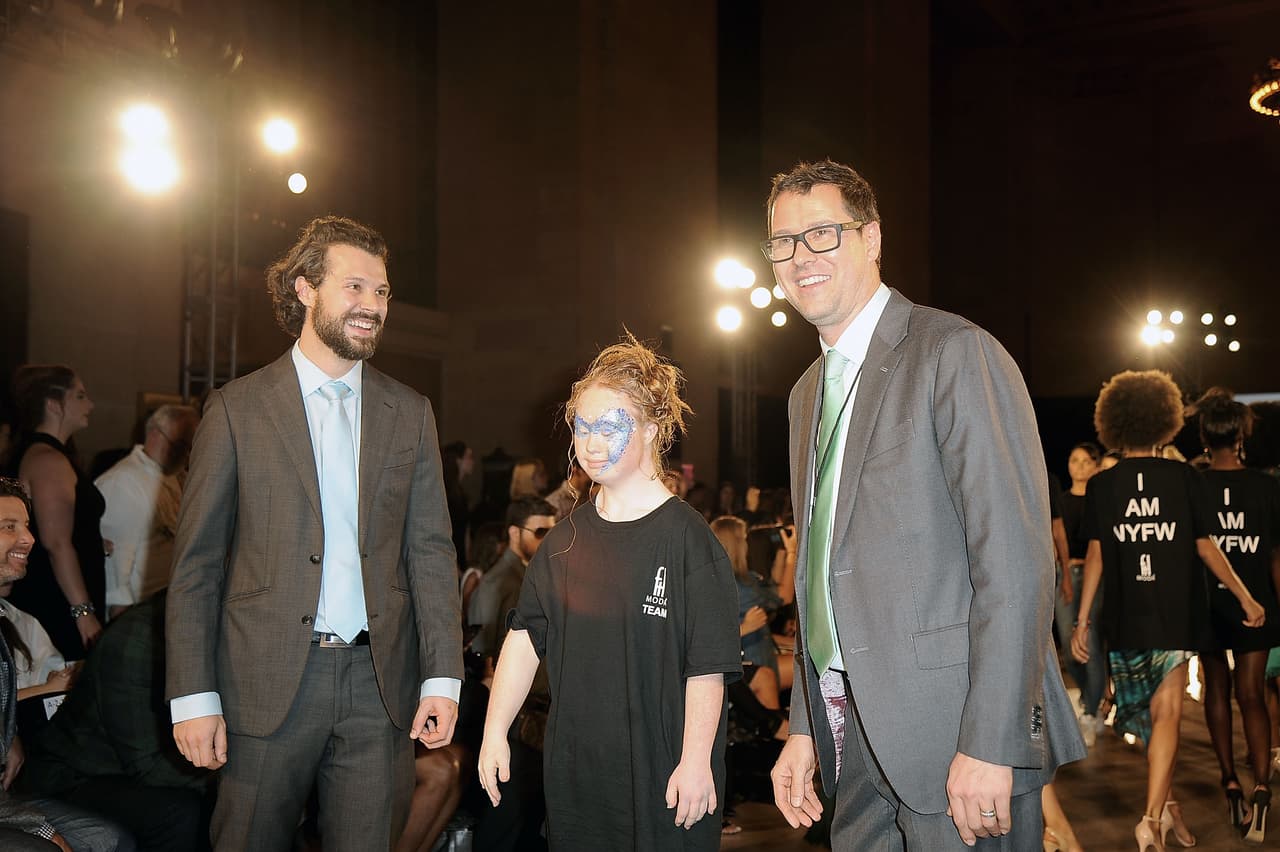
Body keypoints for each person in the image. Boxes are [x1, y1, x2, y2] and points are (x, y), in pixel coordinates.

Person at [762, 159, 1083, 850]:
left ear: (872, 239)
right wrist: (802, 727)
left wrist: (993, 741)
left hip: (955, 743)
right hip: (853, 741)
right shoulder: (803, 396)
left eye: (822, 234)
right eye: (782, 242)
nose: (799, 257)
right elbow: (820, 575)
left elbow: (1017, 562)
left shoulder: (955, 352)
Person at [165, 215, 464, 850]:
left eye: (382, 293)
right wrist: (192, 694)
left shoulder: (409, 413)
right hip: (263, 683)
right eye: (355, 288)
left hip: (378, 687)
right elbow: (197, 566)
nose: (373, 307)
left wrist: (442, 677)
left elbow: (431, 554)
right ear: (305, 289)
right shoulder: (235, 408)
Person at [477, 335, 742, 850]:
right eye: (582, 426)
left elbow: (708, 665)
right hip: (579, 783)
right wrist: (494, 732)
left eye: (610, 426)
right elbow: (525, 640)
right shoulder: (562, 541)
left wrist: (694, 760)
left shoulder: (689, 540)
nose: (592, 442)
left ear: (650, 429)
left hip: (666, 781)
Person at [1071, 370, 1265, 851]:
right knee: (1167, 716)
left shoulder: (1102, 485)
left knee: (1147, 719)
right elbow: (1206, 547)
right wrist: (1244, 595)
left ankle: (1164, 809)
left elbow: (1094, 556)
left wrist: (1081, 620)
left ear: (1113, 422)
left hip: (1126, 617)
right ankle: (1151, 818)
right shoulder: (1184, 478)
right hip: (1176, 613)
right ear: (1166, 420)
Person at [18, 590, 212, 852]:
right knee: (181, 812)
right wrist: (232, 777)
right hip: (74, 774)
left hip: (131, 766)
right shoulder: (137, 637)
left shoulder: (211, 629)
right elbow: (147, 766)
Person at [1190, 388, 1280, 841]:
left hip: (1208, 602)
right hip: (1258, 603)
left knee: (1216, 690)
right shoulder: (1267, 486)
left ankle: (1230, 781)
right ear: (1241, 435)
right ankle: (1262, 786)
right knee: (1252, 694)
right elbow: (1277, 557)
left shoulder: (1194, 484)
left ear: (1206, 437)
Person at [5, 366, 105, 660]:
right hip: (58, 603)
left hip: (59, 595)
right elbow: (56, 543)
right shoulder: (48, 459)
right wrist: (83, 613)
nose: (91, 405)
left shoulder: (46, 455)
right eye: (80, 395)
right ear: (53, 404)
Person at [95, 405, 199, 619]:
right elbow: (116, 556)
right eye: (181, 445)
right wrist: (119, 612)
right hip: (136, 609)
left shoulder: (173, 475)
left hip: (166, 603)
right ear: (155, 435)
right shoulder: (123, 482)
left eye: (191, 447)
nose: (187, 455)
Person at [1058, 443, 1106, 746]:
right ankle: (1092, 697)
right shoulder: (1061, 502)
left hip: (1094, 576)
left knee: (1089, 641)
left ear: (1095, 465)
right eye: (1073, 460)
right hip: (1065, 575)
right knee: (1067, 643)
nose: (1078, 466)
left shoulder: (1100, 501)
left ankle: (1090, 710)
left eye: (1085, 461)